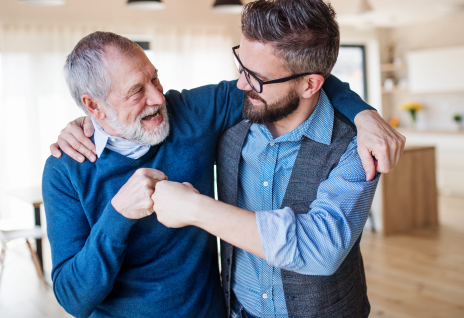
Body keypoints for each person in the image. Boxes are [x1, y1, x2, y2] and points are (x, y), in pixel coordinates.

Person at [44, 31, 404, 316]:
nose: (158, 97)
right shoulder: (66, 169)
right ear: (93, 106)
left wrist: (364, 114)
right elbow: (74, 299)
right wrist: (118, 214)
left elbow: (297, 81)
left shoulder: (192, 112)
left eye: (155, 79)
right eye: (137, 91)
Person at [151, 0, 377, 318]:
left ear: (310, 84)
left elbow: (321, 249)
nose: (242, 85)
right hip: (238, 310)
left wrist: (194, 208)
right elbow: (143, 117)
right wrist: (93, 123)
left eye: (257, 77)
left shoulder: (356, 146)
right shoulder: (229, 121)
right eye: (242, 67)